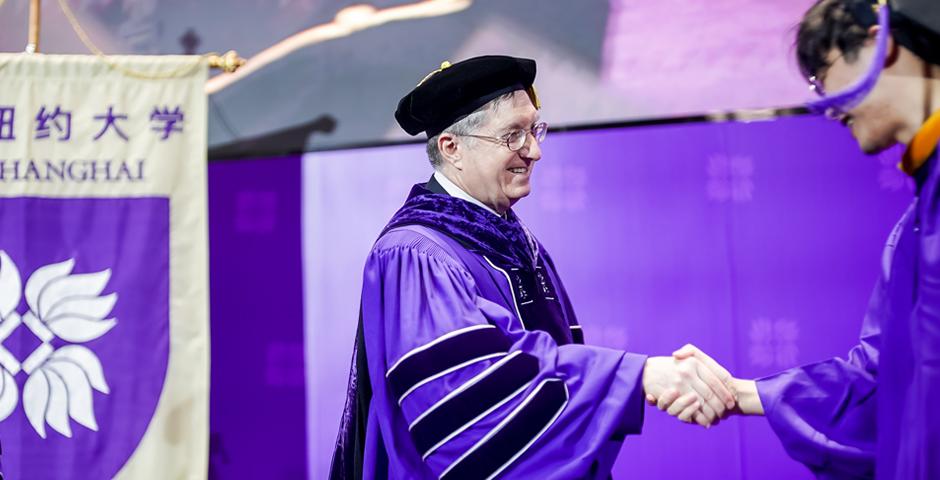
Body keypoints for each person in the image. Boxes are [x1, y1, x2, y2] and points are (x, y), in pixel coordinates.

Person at [329, 55, 736, 479]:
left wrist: (634, 378)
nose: (535, 151)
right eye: (513, 136)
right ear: (452, 148)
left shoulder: (517, 242)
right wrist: (634, 376)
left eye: (534, 131)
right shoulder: (417, 254)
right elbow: (470, 406)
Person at [666, 0, 940, 478]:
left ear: (879, 45)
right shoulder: (915, 223)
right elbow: (879, 381)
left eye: (823, 73)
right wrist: (739, 393)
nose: (828, 106)